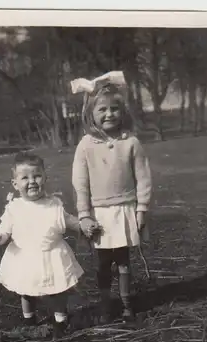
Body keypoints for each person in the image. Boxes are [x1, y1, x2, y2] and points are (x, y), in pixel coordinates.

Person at [71, 71, 152, 325]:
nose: (109, 114)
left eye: (114, 108)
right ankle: (107, 305)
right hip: (99, 214)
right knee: (103, 263)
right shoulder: (85, 145)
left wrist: (141, 210)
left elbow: (143, 178)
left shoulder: (132, 143)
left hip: (125, 210)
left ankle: (127, 305)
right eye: (102, 109)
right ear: (90, 113)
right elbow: (80, 184)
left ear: (122, 111)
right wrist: (84, 215)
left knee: (124, 261)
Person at [0, 152, 84, 335]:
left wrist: (83, 225)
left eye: (37, 176)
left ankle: (61, 319)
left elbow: (69, 220)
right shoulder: (14, 208)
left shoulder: (54, 204)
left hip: (52, 254)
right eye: (25, 178)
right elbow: (4, 229)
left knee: (57, 290)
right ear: (15, 184)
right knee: (26, 290)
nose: (32, 181)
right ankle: (29, 319)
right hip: (25, 257)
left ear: (45, 178)